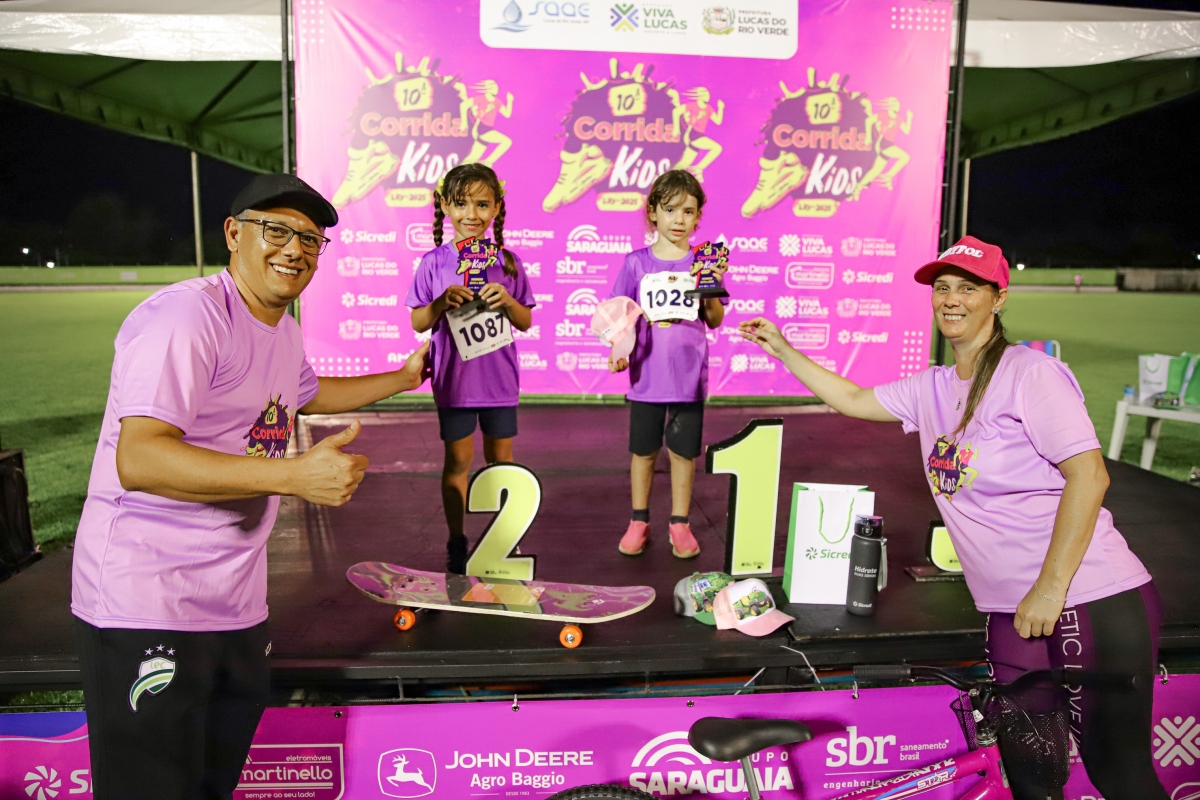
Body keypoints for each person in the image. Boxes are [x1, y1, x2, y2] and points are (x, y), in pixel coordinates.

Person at [738, 235, 1165, 800]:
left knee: (1120, 775)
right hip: (1009, 609)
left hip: (1086, 594)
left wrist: (1049, 588)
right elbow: (854, 399)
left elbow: (1090, 476)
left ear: (999, 298)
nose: (952, 299)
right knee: (1033, 780)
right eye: (943, 288)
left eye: (968, 288)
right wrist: (783, 349)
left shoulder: (1030, 373)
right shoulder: (933, 387)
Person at [70, 173, 431, 800]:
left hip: (234, 604)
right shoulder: (186, 317)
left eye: (310, 240)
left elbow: (307, 394)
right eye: (277, 231)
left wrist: (402, 378)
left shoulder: (281, 329)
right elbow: (141, 458)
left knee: (212, 786)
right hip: (148, 601)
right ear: (234, 234)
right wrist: (293, 475)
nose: (295, 249)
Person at [407, 163, 535, 574]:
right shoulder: (433, 262)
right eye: (461, 204)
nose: (471, 214)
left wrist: (507, 301)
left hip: (499, 382)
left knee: (502, 463)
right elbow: (418, 321)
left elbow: (525, 320)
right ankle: (457, 540)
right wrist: (441, 302)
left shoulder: (508, 262)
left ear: (496, 208)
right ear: (445, 206)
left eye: (482, 204)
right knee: (458, 462)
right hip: (455, 383)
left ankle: (503, 540)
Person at [610, 170, 728, 559]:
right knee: (643, 450)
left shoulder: (703, 261)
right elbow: (620, 314)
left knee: (682, 452)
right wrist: (617, 348)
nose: (679, 219)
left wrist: (711, 286)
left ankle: (680, 523)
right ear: (653, 213)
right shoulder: (635, 263)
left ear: (698, 218)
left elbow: (714, 319)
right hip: (646, 377)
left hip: (688, 378)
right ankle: (638, 521)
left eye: (688, 211)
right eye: (671, 209)